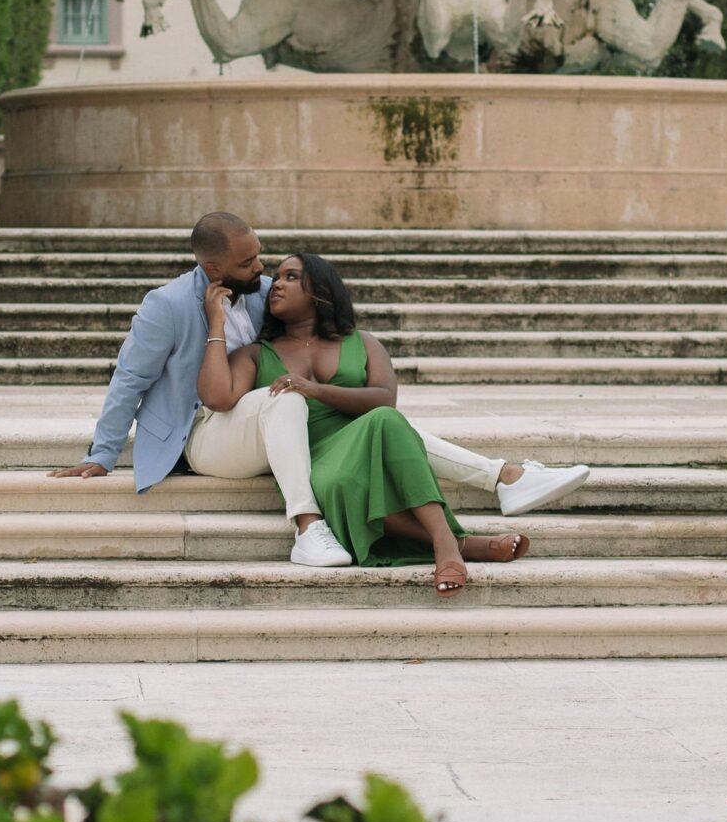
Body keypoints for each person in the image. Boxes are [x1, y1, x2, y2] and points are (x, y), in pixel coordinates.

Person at [52, 212, 588, 573]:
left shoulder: (263, 293)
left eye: (262, 259)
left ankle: (506, 479)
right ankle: (308, 528)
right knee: (286, 395)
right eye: (248, 264)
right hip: (203, 434)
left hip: (274, 428)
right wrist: (101, 453)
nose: (262, 272)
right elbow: (131, 378)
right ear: (212, 268)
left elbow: (314, 319)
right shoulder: (167, 305)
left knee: (375, 423)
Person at [195, 246, 585, 598]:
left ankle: (451, 541)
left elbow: (384, 398)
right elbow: (218, 398)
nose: (276, 284)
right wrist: (217, 324)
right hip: (310, 459)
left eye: (290, 277)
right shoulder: (255, 354)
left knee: (385, 419)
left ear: (320, 290)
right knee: (344, 481)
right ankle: (463, 537)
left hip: (365, 435)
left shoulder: (361, 341)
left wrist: (314, 390)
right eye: (276, 277)